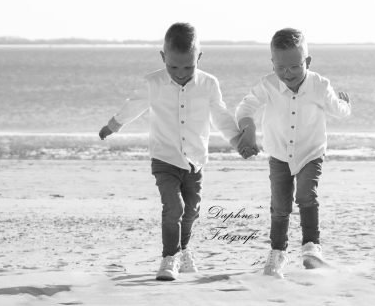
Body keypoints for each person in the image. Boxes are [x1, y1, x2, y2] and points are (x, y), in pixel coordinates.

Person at [99, 23, 257, 281]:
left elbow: (221, 116)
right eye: (173, 67)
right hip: (165, 158)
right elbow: (133, 107)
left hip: (195, 160)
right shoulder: (153, 82)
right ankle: (168, 259)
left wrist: (238, 142)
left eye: (188, 67)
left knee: (191, 210)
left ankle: (184, 251)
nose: (180, 73)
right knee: (174, 207)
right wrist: (113, 125)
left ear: (199, 58)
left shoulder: (208, 84)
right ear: (163, 58)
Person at [235, 28, 351, 278]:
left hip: (311, 152)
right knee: (280, 206)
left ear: (307, 62)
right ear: (273, 63)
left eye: (295, 67)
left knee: (306, 195)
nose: (287, 74)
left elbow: (336, 109)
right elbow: (245, 106)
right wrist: (247, 127)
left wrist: (345, 106)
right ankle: (277, 253)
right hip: (278, 154)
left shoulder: (319, 85)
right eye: (281, 68)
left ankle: (311, 248)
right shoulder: (268, 84)